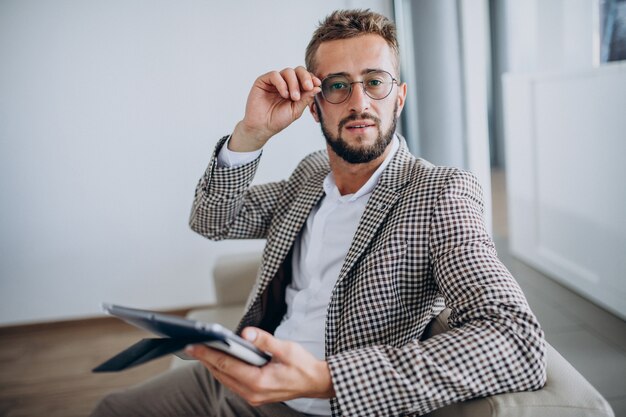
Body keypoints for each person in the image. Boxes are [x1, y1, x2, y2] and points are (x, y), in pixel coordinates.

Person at [92, 9, 546, 417]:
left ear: (399, 97)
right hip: (234, 375)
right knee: (111, 409)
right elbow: (212, 220)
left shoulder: (440, 193)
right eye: (337, 86)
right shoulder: (311, 174)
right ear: (315, 106)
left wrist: (325, 379)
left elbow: (518, 343)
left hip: (320, 405)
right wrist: (250, 135)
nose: (359, 102)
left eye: (375, 81)